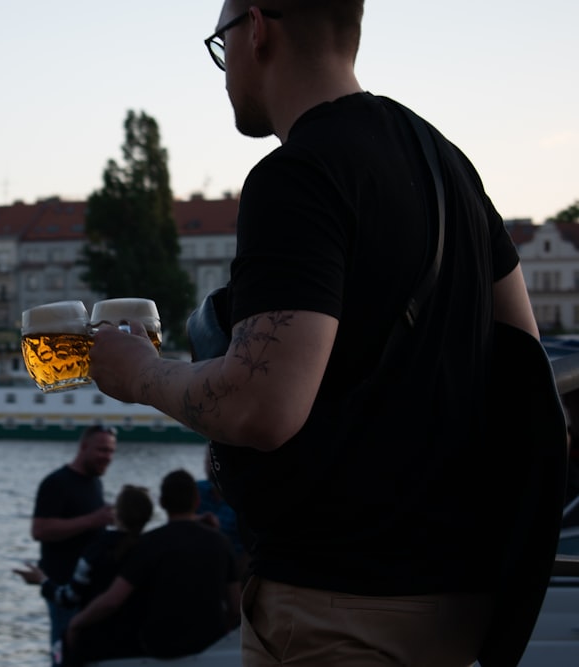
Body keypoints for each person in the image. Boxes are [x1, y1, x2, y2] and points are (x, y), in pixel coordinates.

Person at [88, 2, 540, 665]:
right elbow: (524, 359)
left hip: (337, 613)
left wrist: (136, 373)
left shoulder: (297, 176)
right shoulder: (449, 165)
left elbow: (260, 403)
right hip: (457, 608)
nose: (223, 69)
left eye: (221, 44)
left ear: (258, 30)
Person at [64, 469, 239, 664]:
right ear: (197, 501)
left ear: (162, 503)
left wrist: (76, 623)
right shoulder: (222, 543)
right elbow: (235, 606)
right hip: (210, 647)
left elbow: (112, 601)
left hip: (160, 650)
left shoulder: (149, 544)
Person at [21, 424, 117, 664]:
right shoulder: (56, 482)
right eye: (102, 450)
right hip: (62, 587)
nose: (107, 457)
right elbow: (39, 530)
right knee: (65, 653)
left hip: (89, 589)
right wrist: (92, 520)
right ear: (83, 447)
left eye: (111, 451)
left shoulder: (95, 482)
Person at [14, 484, 153, 611]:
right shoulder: (151, 550)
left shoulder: (97, 549)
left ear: (116, 513)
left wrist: (42, 580)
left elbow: (69, 597)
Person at [195, 450, 249, 576]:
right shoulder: (196, 490)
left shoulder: (244, 501)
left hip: (232, 573)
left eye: (214, 461)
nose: (210, 465)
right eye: (208, 461)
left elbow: (250, 549)